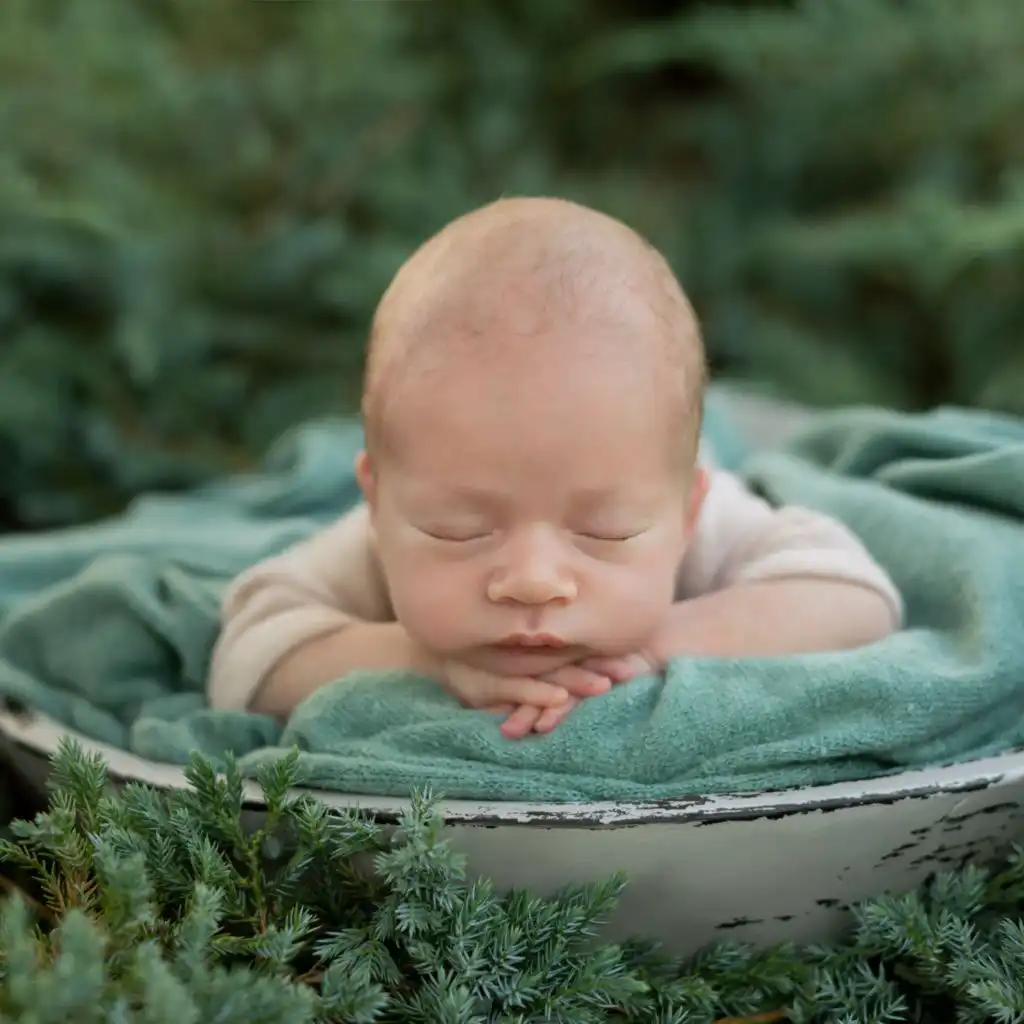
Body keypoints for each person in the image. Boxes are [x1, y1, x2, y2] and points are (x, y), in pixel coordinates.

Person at [207, 196, 902, 739]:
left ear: (684, 515)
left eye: (604, 531)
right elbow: (249, 656)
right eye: (458, 529)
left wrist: (665, 643)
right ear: (379, 502)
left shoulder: (696, 512)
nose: (534, 582)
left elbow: (856, 597)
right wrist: (423, 662)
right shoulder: (377, 536)